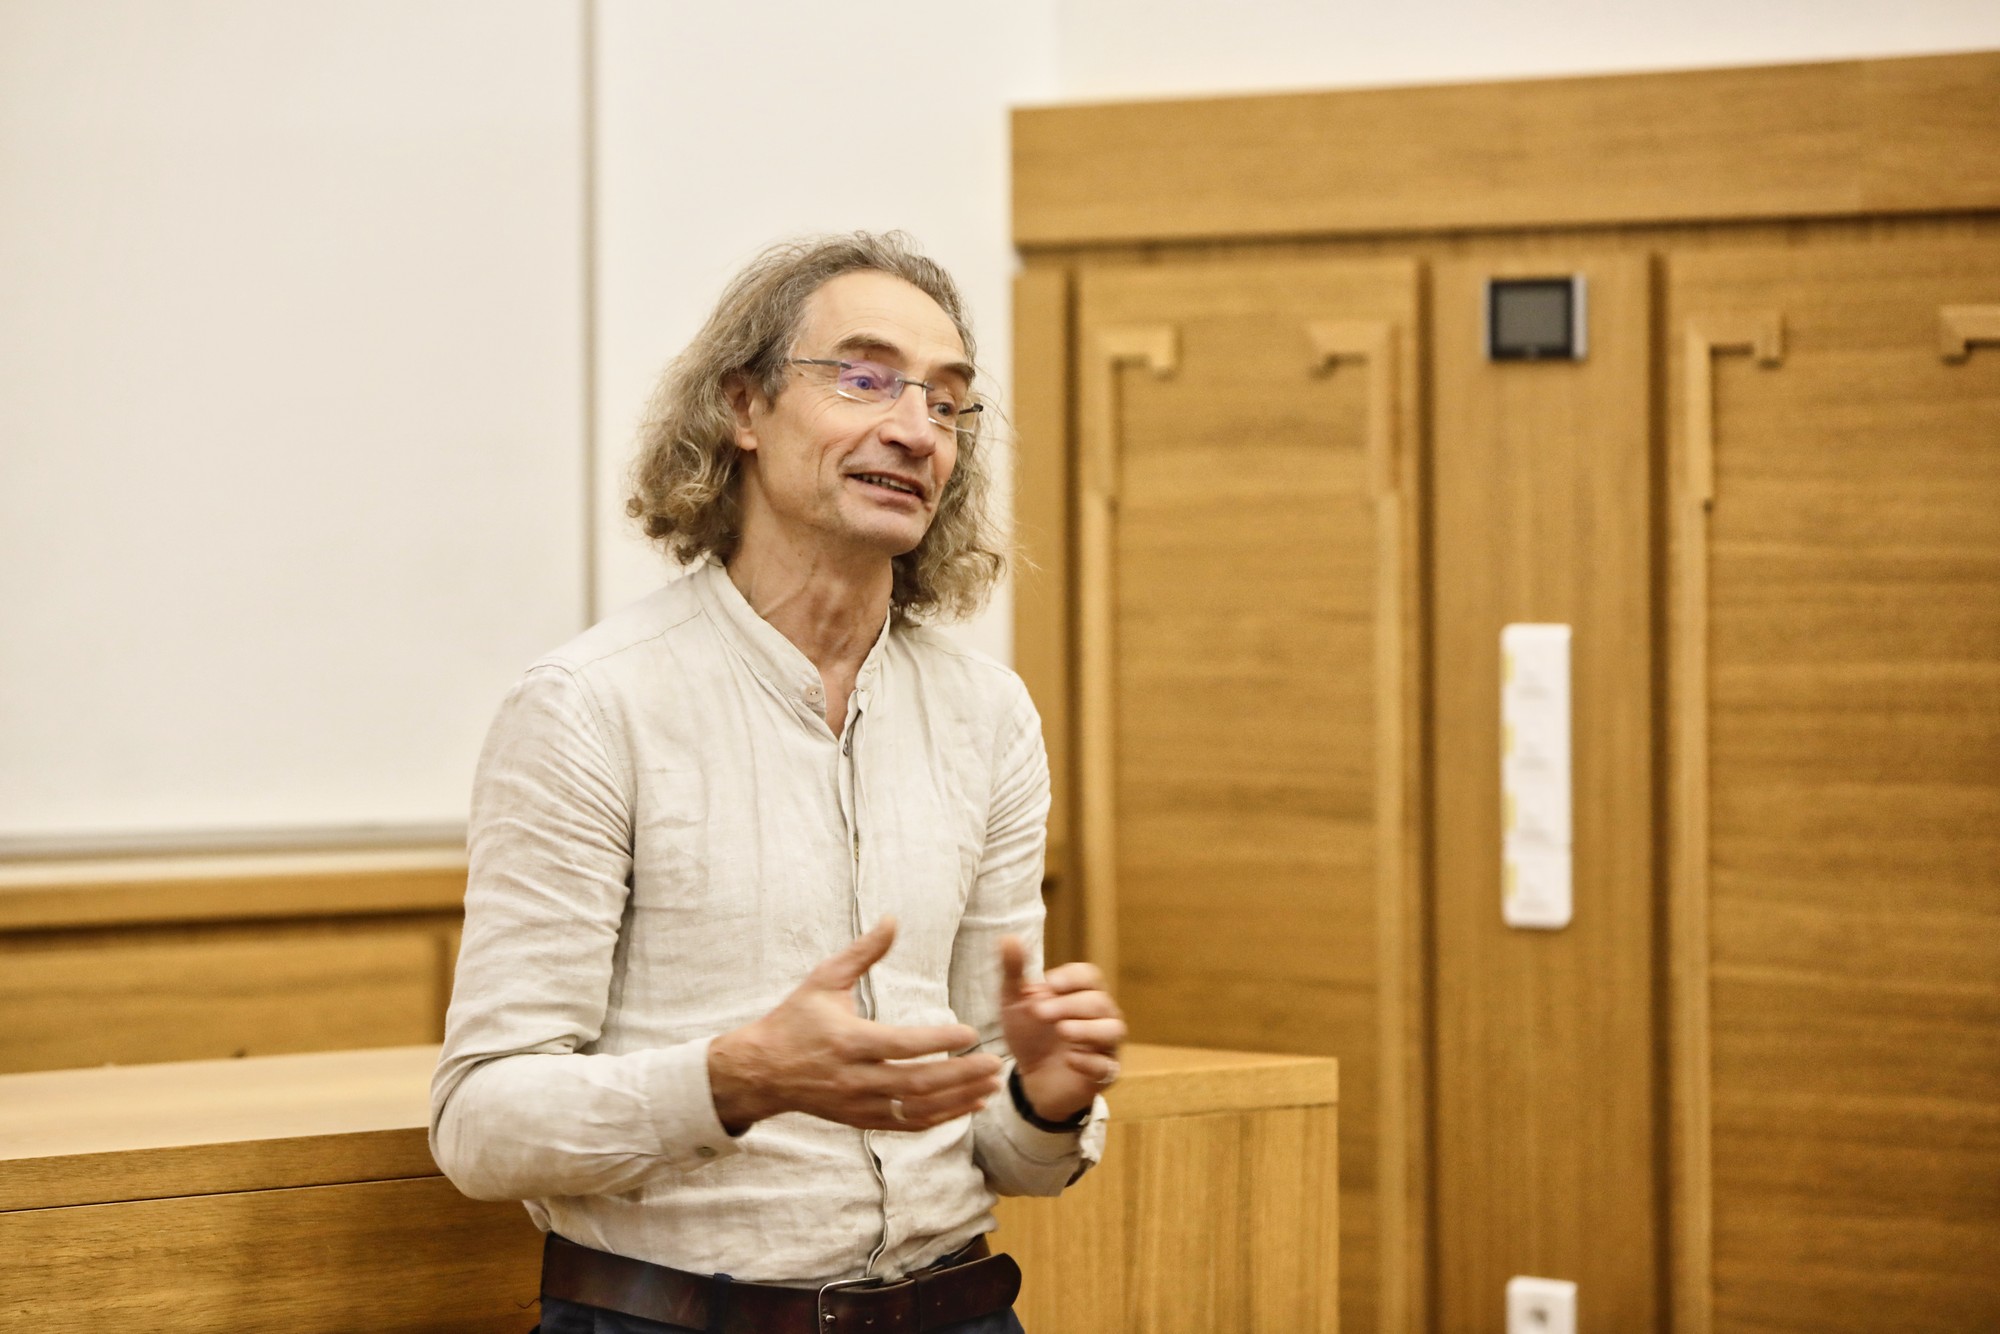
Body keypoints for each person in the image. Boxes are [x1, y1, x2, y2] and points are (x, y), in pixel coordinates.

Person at [430, 232, 1124, 1334]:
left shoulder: (986, 715)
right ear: (742, 407)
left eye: (946, 402)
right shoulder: (589, 704)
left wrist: (1043, 1094)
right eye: (862, 376)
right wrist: (737, 1076)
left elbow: (1006, 1147)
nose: (912, 427)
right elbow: (480, 1122)